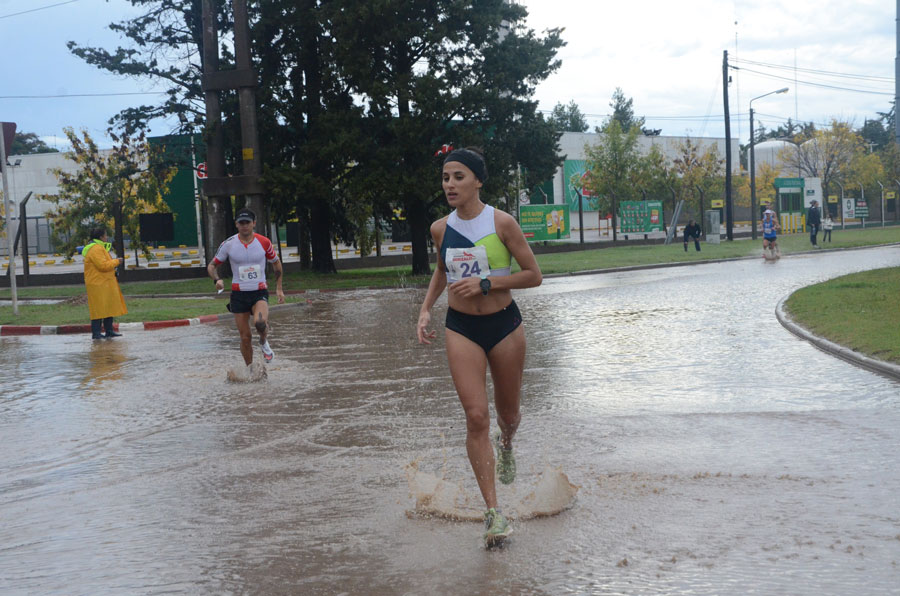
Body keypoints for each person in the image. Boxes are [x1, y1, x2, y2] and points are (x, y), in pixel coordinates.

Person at [416, 147, 542, 548]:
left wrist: (487, 283)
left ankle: (507, 444)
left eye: (458, 177)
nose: (449, 185)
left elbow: (533, 275)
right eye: (445, 178)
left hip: (504, 325)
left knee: (508, 415)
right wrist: (424, 310)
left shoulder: (502, 223)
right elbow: (440, 270)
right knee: (475, 416)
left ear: (477, 181)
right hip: (462, 327)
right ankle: (493, 513)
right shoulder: (440, 228)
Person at [208, 208, 285, 365]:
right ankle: (250, 370)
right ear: (236, 224)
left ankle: (263, 341)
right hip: (238, 295)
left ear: (254, 224)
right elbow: (211, 266)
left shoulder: (264, 242)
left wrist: (279, 288)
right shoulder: (228, 244)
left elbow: (276, 264)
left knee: (260, 323)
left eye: (247, 223)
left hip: (259, 292)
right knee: (245, 337)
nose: (244, 226)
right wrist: (217, 280)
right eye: (241, 223)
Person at [82, 227, 127, 340]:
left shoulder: (98, 247)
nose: (107, 237)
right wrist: (117, 261)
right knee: (98, 308)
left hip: (104, 282)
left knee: (108, 306)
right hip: (98, 283)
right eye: (105, 235)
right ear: (101, 237)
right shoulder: (95, 249)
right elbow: (103, 265)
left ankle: (109, 330)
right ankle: (96, 333)